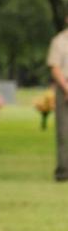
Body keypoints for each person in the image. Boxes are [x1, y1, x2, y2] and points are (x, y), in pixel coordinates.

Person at [48, 14, 68, 182]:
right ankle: (63, 171)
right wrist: (66, 87)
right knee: (64, 131)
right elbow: (55, 67)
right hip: (64, 87)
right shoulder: (59, 41)